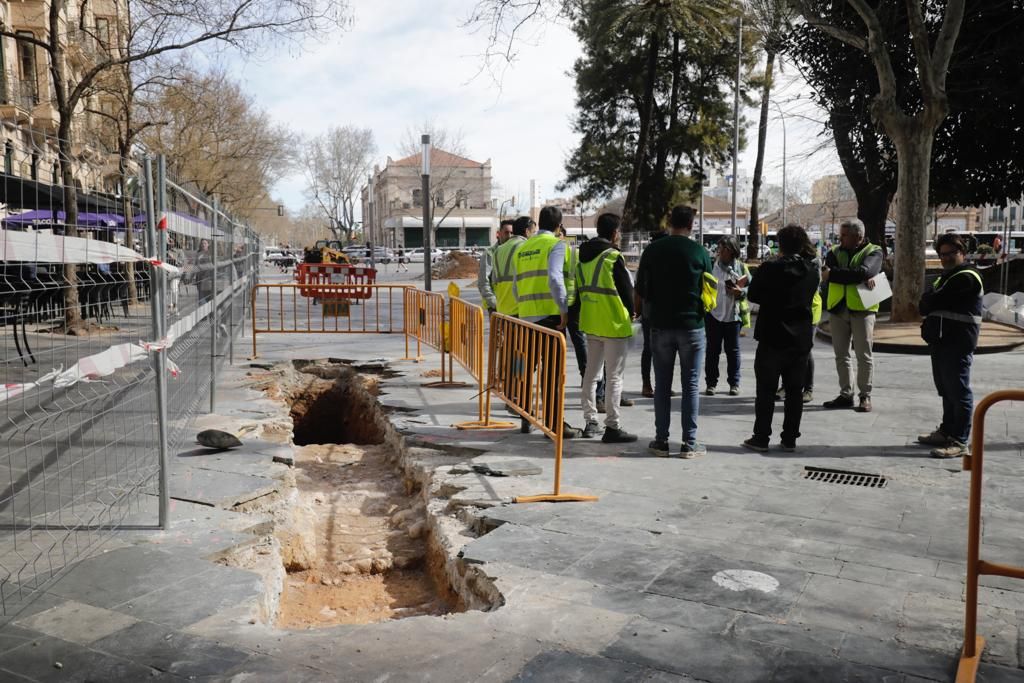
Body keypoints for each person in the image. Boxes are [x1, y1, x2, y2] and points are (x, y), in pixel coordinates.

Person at [635, 205, 713, 458]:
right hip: (692, 326)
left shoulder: (653, 250)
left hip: (660, 325)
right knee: (690, 384)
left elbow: (641, 288)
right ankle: (689, 443)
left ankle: (661, 440)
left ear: (669, 222)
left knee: (662, 384)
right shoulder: (700, 253)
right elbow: (710, 290)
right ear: (691, 225)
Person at [742, 224, 821, 452]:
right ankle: (789, 438)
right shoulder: (811, 270)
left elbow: (754, 294)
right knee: (795, 391)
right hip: (800, 339)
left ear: (781, 244)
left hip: (772, 335)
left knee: (766, 390)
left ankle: (761, 436)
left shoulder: (769, 268)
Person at [512, 206, 582, 439]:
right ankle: (554, 423)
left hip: (526, 316)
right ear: (558, 225)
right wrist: (563, 309)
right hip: (550, 317)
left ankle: (525, 415)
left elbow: (515, 285)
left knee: (526, 369)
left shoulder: (523, 248)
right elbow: (555, 277)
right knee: (551, 372)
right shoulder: (557, 245)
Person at [916, 233, 983, 458]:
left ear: (962, 253)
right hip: (942, 341)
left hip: (957, 341)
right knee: (947, 390)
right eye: (942, 254)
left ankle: (959, 440)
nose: (945, 258)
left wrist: (930, 299)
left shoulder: (966, 277)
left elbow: (930, 302)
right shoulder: (945, 277)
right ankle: (947, 431)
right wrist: (929, 299)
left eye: (950, 254)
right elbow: (925, 303)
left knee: (958, 391)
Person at [577, 213, 637, 443]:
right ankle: (612, 426)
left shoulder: (582, 256)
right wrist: (632, 311)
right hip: (613, 324)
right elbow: (625, 290)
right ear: (614, 233)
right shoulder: (613, 256)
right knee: (614, 378)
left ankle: (590, 422)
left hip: (591, 322)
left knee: (591, 375)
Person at [821, 218, 882, 413]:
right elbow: (828, 271)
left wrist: (837, 274)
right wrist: (858, 275)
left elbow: (864, 271)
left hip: (863, 308)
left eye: (845, 235)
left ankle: (865, 395)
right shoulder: (834, 252)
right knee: (841, 354)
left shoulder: (874, 251)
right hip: (838, 308)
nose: (841, 237)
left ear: (859, 237)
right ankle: (846, 394)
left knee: (864, 354)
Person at [704, 236, 748, 396]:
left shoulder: (741, 268)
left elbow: (750, 287)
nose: (719, 252)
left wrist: (740, 292)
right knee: (712, 351)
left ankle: (734, 383)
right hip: (713, 315)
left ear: (731, 251)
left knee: (733, 350)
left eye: (723, 249)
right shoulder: (711, 266)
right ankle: (711, 383)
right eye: (719, 249)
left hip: (733, 316)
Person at [637, 229, 668, 398]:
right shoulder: (648, 256)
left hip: (663, 310)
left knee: (663, 349)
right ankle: (646, 384)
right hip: (650, 309)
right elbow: (639, 286)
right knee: (649, 348)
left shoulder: (665, 258)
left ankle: (661, 384)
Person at [479, 219, 514, 312]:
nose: (510, 236)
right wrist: (494, 304)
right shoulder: (490, 253)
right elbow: (483, 282)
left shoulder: (514, 251)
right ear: (499, 233)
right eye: (506, 233)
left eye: (512, 233)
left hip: (512, 308)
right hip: (496, 308)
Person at [195, 238, 213, 304]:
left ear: (208, 244)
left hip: (209, 279)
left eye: (205, 243)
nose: (203, 245)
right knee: (201, 299)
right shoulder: (198, 254)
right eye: (202, 243)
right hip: (200, 279)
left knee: (209, 298)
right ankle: (203, 313)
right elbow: (195, 265)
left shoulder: (211, 254)